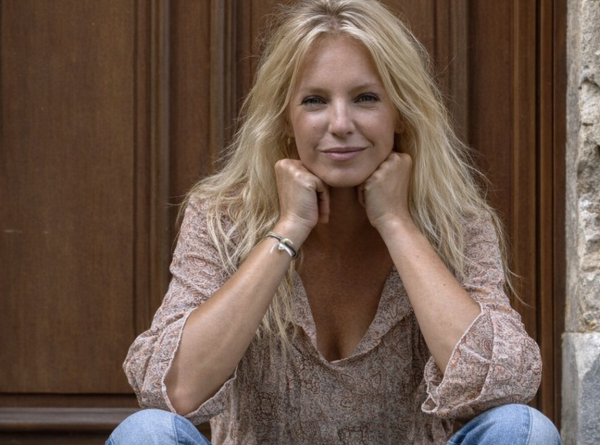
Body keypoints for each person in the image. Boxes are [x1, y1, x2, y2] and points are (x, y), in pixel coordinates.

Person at [108, 0, 561, 444]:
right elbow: (170, 389)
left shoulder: (457, 224)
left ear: (400, 111)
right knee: (143, 435)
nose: (340, 123)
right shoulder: (222, 218)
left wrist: (397, 223)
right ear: (286, 119)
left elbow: (505, 383)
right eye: (315, 101)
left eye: (365, 98)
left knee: (525, 431)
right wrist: (286, 231)